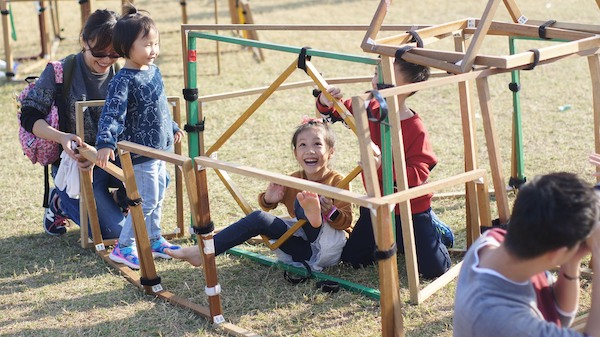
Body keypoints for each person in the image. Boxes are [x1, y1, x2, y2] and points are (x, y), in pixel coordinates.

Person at [315, 55, 452, 278]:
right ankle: (398, 239)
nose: (375, 78)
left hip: (412, 209)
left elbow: (419, 173)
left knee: (433, 270)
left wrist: (380, 166)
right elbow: (337, 112)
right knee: (353, 260)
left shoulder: (415, 127)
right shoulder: (370, 106)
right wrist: (326, 101)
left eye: (384, 74)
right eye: (376, 72)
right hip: (377, 205)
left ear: (407, 86)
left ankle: (437, 232)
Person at [165, 118, 354, 272]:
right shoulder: (293, 179)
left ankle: (314, 216)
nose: (310, 150)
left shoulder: (339, 181)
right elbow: (267, 205)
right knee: (259, 218)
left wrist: (329, 212)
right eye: (302, 145)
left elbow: (346, 223)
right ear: (296, 153)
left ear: (331, 152)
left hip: (329, 249)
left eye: (317, 144)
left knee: (304, 202)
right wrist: (268, 199)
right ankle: (202, 252)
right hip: (302, 249)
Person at [19, 9, 126, 238]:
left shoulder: (122, 72)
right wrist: (62, 137)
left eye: (114, 53)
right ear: (85, 41)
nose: (106, 60)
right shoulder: (60, 71)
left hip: (111, 159)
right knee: (110, 235)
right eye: (99, 52)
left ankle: (118, 199)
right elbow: (29, 116)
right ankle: (59, 202)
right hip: (75, 167)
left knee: (156, 177)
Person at [453, 171, 600, 336]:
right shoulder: (503, 320)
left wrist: (572, 260)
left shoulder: (494, 244)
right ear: (557, 254)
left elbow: (558, 316)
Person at [95, 5, 184, 270]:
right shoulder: (123, 80)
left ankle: (154, 239)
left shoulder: (154, 71)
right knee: (144, 200)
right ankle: (123, 247)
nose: (153, 50)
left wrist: (173, 126)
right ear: (126, 47)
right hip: (138, 152)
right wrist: (105, 143)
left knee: (158, 196)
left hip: (159, 149)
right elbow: (112, 114)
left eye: (155, 43)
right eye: (147, 45)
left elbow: (159, 106)